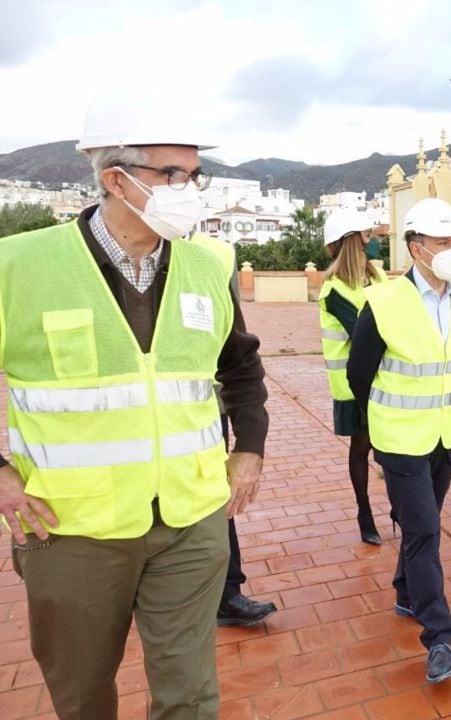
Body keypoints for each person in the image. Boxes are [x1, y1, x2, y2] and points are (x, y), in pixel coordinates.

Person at [0, 84, 269, 718]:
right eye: (172, 173)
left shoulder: (208, 264)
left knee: (190, 693)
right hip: (71, 528)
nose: (189, 189)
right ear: (117, 180)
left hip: (193, 520)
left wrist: (249, 451)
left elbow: (241, 367)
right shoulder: (19, 266)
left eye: (195, 175)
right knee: (84, 693)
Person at [346, 197, 451, 685]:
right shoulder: (381, 302)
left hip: (446, 433)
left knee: (425, 522)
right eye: (442, 242)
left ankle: (405, 589)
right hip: (400, 438)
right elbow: (361, 376)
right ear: (416, 247)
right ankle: (438, 635)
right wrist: (383, 424)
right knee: (424, 530)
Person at [185, 233, 278, 626]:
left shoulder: (216, 255)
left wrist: (250, 441)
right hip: (121, 433)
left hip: (206, 409)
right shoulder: (67, 262)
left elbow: (234, 347)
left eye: (190, 176)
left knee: (219, 497)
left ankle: (227, 593)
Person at [319, 207, 388, 545]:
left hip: (386, 379)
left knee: (389, 444)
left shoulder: (379, 277)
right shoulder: (334, 289)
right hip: (354, 384)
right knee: (361, 447)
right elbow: (364, 331)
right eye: (367, 235)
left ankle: (398, 507)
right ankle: (365, 513)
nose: (373, 240)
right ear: (352, 240)